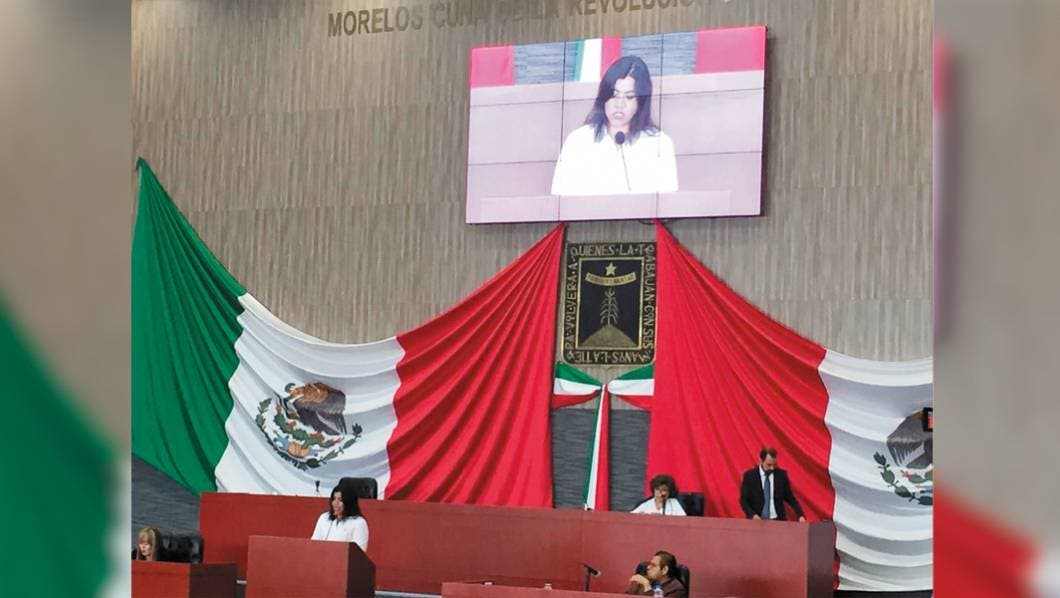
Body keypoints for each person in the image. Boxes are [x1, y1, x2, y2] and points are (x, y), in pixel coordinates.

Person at [551, 55, 678, 196]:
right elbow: (558, 197)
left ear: (641, 103)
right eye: (614, 95)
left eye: (629, 97)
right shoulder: (579, 141)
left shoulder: (659, 143)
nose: (619, 104)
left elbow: (668, 202)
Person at [739, 447, 807, 522]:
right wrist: (752, 515)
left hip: (778, 521)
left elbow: (791, 498)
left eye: (774, 465)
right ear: (761, 460)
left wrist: (800, 515)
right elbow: (743, 500)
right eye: (769, 465)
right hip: (757, 521)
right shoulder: (750, 476)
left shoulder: (781, 476)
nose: (772, 468)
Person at [311, 483, 369, 551]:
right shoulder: (324, 518)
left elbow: (360, 552)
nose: (336, 503)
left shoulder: (359, 523)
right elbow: (313, 544)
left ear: (349, 502)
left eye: (340, 500)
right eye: (334, 499)